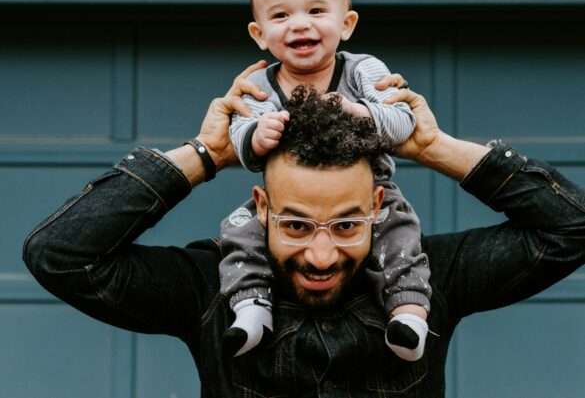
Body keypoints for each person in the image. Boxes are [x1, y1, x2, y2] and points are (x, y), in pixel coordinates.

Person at [23, 63, 585, 398]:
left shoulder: (433, 279)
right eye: (296, 224)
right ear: (261, 207)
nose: (320, 254)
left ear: (378, 204)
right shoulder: (207, 288)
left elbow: (572, 228)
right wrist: (207, 154)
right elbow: (61, 254)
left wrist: (432, 148)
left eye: (346, 224)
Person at [222, 0, 430, 360]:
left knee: (400, 232)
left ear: (346, 23)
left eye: (316, 11)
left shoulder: (362, 71)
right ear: (260, 34)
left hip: (370, 191)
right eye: (281, 17)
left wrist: (360, 113)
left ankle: (408, 313)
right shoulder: (259, 83)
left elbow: (402, 120)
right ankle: (250, 307)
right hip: (286, 203)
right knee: (239, 231)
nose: (300, 24)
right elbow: (239, 138)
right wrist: (255, 136)